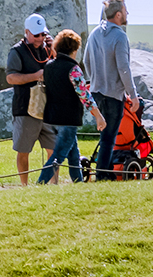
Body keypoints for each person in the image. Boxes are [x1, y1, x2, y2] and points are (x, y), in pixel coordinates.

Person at [37, 30, 107, 183]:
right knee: (59, 156)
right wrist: (99, 116)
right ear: (74, 50)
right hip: (68, 119)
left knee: (73, 154)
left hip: (51, 117)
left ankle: (78, 183)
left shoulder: (49, 66)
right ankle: (40, 184)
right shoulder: (73, 69)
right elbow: (85, 96)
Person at [81, 0, 139, 182]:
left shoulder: (95, 33)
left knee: (104, 135)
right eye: (125, 10)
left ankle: (103, 173)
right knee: (109, 137)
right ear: (118, 14)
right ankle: (103, 175)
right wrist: (133, 94)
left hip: (97, 91)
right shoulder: (120, 36)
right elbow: (124, 68)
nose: (127, 13)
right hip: (114, 93)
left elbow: (86, 61)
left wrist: (94, 79)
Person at [6, 14, 56, 186]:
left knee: (54, 149)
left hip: (48, 108)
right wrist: (35, 76)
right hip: (25, 108)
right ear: (26, 32)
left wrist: (54, 49)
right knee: (24, 150)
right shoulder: (16, 51)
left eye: (43, 34)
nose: (40, 38)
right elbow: (11, 78)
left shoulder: (48, 48)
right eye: (36, 35)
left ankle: (52, 185)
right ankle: (24, 186)